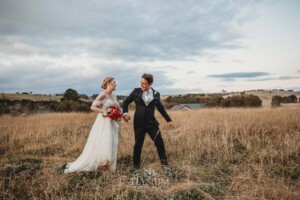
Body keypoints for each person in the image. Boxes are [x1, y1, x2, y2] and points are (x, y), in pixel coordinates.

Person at [64, 77, 120, 173]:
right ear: (108, 83)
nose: (116, 84)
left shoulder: (114, 96)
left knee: (112, 142)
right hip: (104, 122)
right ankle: (100, 163)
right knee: (103, 141)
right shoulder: (103, 94)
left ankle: (107, 164)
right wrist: (104, 111)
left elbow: (117, 108)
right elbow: (93, 107)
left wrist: (119, 115)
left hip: (112, 122)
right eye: (114, 82)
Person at [122, 73, 174, 169]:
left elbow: (161, 108)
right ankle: (136, 167)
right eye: (141, 82)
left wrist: (168, 120)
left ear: (150, 84)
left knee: (159, 143)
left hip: (152, 124)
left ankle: (165, 165)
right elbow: (125, 102)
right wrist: (125, 113)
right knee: (138, 145)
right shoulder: (136, 92)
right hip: (139, 124)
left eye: (144, 83)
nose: (142, 85)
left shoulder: (156, 94)